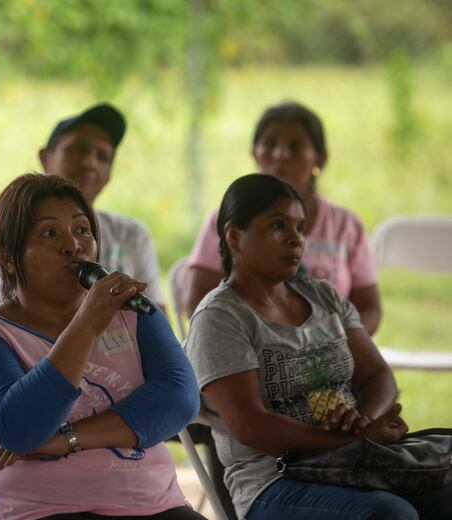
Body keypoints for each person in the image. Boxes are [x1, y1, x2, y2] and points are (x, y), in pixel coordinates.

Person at [184, 174, 452, 520]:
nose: (296, 239)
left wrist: (363, 418)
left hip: (357, 463)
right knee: (388, 515)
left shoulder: (322, 295)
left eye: (300, 227)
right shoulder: (220, 319)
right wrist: (355, 440)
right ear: (234, 236)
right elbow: (252, 428)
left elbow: (377, 374)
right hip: (274, 481)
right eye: (278, 226)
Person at [0, 173, 204, 520]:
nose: (73, 246)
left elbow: (179, 400)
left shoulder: (133, 311)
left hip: (159, 507)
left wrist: (64, 439)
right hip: (51, 513)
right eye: (49, 233)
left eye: (82, 230)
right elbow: (21, 428)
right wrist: (85, 324)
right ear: (9, 257)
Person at [181, 102, 381, 334]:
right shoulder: (227, 220)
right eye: (269, 144)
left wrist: (337, 345)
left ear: (320, 159)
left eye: (295, 147)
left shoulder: (346, 225)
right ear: (254, 153)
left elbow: (369, 308)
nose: (281, 155)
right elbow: (197, 300)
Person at [0, 103, 166, 312]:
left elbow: (155, 314)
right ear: (45, 157)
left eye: (102, 156)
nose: (89, 163)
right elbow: (8, 316)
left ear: (109, 175)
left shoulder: (132, 233)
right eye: (79, 149)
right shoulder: (7, 228)